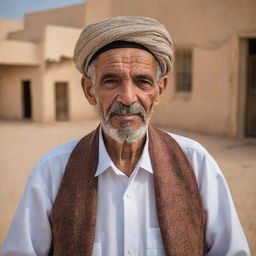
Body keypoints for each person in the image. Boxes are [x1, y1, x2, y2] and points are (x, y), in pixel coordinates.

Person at [1, 16, 250, 256]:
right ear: (89, 90)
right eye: (111, 81)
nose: (128, 98)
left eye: (143, 82)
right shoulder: (52, 171)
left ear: (159, 90)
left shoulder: (196, 163)